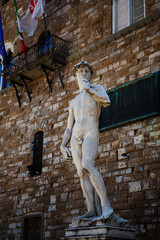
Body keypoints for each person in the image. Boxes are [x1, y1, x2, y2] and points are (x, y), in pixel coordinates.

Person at [60, 61, 113, 219]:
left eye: (86, 71)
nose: (83, 73)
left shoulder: (97, 89)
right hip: (76, 135)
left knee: (88, 165)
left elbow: (107, 102)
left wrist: (88, 89)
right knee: (81, 172)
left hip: (91, 131)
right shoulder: (73, 101)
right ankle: (91, 209)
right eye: (80, 72)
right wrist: (63, 145)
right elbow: (69, 126)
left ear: (90, 75)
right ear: (76, 76)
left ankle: (105, 205)